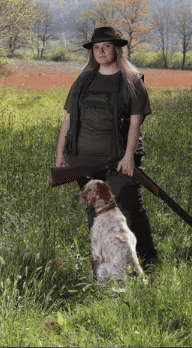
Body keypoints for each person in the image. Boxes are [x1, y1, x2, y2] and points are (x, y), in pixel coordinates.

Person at [55, 26, 158, 268]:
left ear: (117, 49)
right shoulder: (83, 80)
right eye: (96, 48)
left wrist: (129, 157)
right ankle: (103, 266)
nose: (101, 52)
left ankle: (147, 261)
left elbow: (135, 122)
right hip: (82, 158)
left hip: (118, 159)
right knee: (95, 211)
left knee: (130, 208)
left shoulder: (132, 81)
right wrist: (60, 153)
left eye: (106, 46)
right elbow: (68, 118)